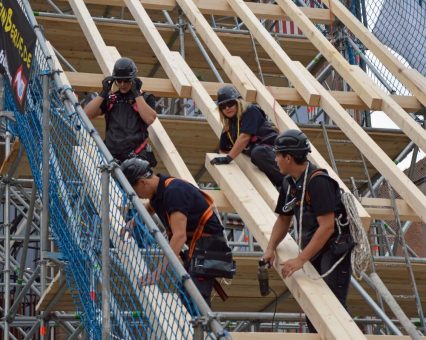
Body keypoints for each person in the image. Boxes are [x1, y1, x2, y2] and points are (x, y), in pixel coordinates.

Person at [262, 129, 352, 333]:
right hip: (314, 247)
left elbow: (327, 226)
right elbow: (284, 219)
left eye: (278, 155)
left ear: (288, 157)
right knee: (314, 312)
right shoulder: (289, 183)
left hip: (333, 249)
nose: (275, 159)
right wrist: (270, 248)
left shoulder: (318, 181)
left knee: (332, 308)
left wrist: (300, 259)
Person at [120, 157, 234, 306]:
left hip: (208, 248)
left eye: (136, 191)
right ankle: (199, 326)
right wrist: (133, 223)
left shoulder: (174, 192)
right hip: (199, 246)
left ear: (142, 182)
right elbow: (151, 206)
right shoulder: (160, 190)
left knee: (195, 300)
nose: (138, 196)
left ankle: (204, 328)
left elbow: (179, 236)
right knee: (186, 294)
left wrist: (157, 273)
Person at [84, 57, 157, 166]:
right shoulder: (111, 99)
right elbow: (85, 114)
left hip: (136, 158)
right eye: (119, 80)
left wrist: (137, 94)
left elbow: (150, 119)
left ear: (133, 79)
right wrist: (103, 93)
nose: (122, 84)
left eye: (126, 80)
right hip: (111, 158)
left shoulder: (145, 98)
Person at [210, 85, 283, 188]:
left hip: (276, 152)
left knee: (258, 152)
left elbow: (245, 137)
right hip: (263, 160)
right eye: (222, 106)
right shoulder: (230, 126)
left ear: (238, 102)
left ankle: (288, 183)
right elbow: (223, 149)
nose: (227, 108)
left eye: (230, 104)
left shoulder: (250, 111)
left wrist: (228, 158)